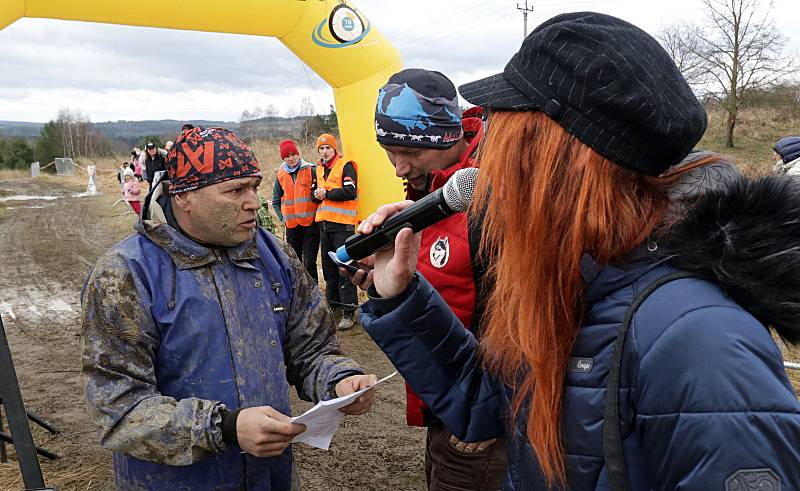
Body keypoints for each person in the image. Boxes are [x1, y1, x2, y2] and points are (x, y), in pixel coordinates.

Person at [355, 12, 800, 490]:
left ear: (562, 161)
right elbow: (492, 408)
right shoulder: (575, 279)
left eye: (505, 140)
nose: (486, 168)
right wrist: (400, 295)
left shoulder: (701, 341)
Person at [81, 126, 378, 490]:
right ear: (185, 197)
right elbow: (118, 409)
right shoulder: (126, 275)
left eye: (254, 186)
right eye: (236, 190)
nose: (253, 202)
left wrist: (338, 379)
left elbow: (311, 348)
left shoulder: (274, 256)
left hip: (271, 478)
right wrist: (225, 428)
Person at [372, 68, 506, 490]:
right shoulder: (432, 195)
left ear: (446, 136)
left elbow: (523, 321)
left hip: (483, 427)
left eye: (407, 152)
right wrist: (392, 284)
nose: (398, 167)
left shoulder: (492, 192)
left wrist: (486, 420)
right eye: (388, 152)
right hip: (448, 409)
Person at [313, 133, 359, 330]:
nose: (324, 151)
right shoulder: (319, 168)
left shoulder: (345, 165)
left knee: (345, 268)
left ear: (334, 149)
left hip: (343, 225)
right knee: (329, 269)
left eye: (327, 148)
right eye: (321, 149)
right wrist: (315, 194)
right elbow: (316, 195)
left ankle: (349, 311)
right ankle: (333, 307)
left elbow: (351, 191)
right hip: (324, 225)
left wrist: (327, 193)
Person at [272, 139, 320, 282]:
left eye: (293, 155)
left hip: (311, 225)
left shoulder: (311, 169)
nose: (291, 159)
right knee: (295, 262)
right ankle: (301, 294)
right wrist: (283, 219)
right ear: (283, 158)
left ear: (298, 154)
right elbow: (275, 201)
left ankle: (315, 294)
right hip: (292, 227)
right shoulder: (280, 174)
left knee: (309, 263)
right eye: (287, 156)